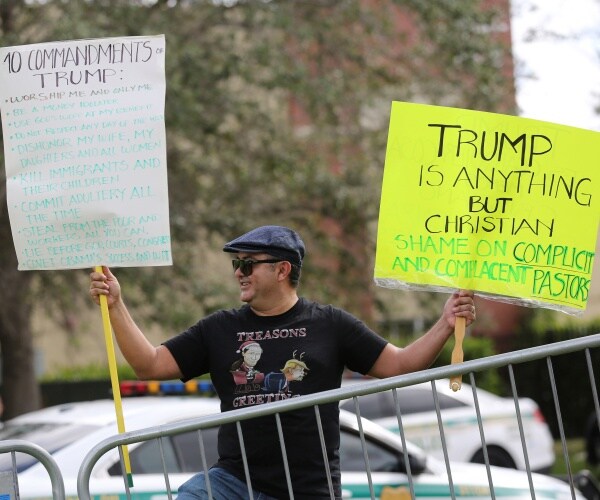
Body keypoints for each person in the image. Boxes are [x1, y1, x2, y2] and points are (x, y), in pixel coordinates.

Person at [89, 225, 476, 500]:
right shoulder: (220, 328)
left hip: (307, 488)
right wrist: (117, 304)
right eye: (236, 265)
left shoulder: (330, 324)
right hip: (232, 482)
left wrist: (445, 323)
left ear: (282, 269)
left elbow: (400, 364)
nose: (239, 273)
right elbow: (150, 365)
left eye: (248, 264)